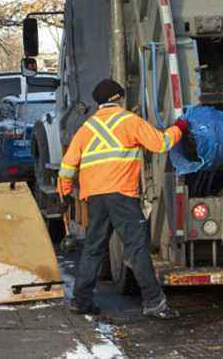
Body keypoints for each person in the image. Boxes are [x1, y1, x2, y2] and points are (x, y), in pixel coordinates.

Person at [57, 78, 188, 319]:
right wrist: (179, 126)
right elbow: (161, 144)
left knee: (93, 249)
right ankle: (154, 303)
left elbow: (67, 165)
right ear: (118, 98)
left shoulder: (87, 128)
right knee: (137, 249)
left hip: (95, 198)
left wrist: (64, 192)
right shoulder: (129, 121)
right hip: (122, 195)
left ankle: (81, 301)